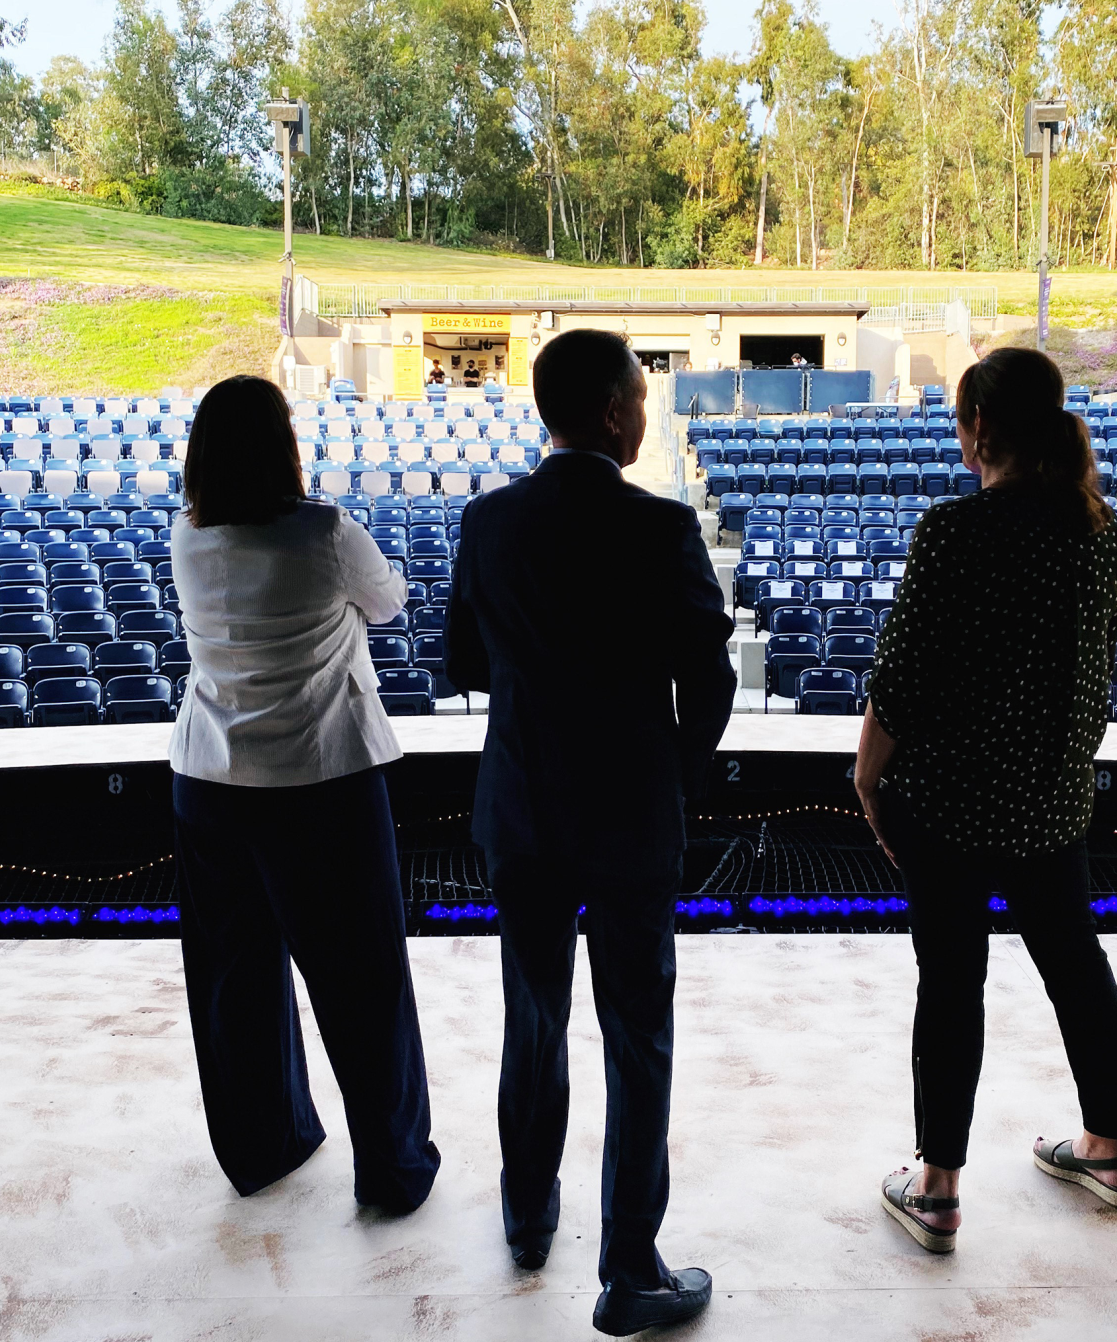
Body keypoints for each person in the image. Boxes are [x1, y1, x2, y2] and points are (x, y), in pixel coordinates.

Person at [446, 328, 734, 1336]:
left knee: (532, 1014)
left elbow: (463, 661)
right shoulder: (658, 529)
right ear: (613, 412)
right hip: (626, 818)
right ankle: (628, 1270)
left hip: (521, 808)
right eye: (641, 399)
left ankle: (527, 1217)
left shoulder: (487, 523)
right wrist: (669, 775)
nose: (647, 414)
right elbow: (708, 678)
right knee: (635, 1038)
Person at [855, 346, 1117, 1255]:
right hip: (1051, 797)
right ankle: (1110, 1152)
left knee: (952, 980)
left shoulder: (955, 530)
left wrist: (866, 775)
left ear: (977, 426)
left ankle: (936, 1189)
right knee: (1075, 965)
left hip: (951, 802)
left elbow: (902, 676)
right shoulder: (1102, 533)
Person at [168, 373, 441, 1211]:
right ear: (282, 445)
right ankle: (393, 1170)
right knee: (363, 983)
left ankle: (264, 1147)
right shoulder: (324, 532)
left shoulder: (188, 534)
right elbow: (389, 603)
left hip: (208, 778)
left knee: (235, 981)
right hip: (319, 783)